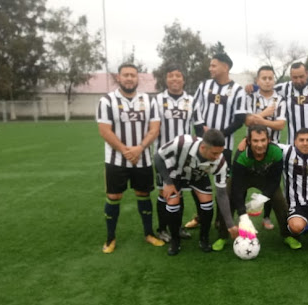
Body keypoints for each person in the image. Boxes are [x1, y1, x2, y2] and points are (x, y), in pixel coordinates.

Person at [96, 63, 163, 253]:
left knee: (143, 193)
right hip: (116, 159)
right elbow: (104, 130)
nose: (129, 78)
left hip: (143, 158)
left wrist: (140, 148)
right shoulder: (107, 101)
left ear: (137, 78)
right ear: (119, 77)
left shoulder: (148, 101)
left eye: (133, 75)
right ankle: (110, 238)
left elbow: (155, 128)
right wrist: (126, 151)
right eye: (125, 75)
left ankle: (149, 233)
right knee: (114, 196)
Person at [184, 53, 247, 235]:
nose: (210, 68)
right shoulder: (204, 86)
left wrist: (218, 136)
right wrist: (200, 135)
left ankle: (221, 220)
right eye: (210, 66)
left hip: (224, 147)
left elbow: (239, 119)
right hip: (202, 147)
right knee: (196, 183)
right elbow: (195, 109)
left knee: (223, 186)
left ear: (225, 67)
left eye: (214, 65)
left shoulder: (237, 90)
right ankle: (200, 216)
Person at [154, 129, 238, 256]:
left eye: (220, 153)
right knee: (172, 203)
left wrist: (230, 224)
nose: (217, 157)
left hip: (197, 175)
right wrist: (168, 182)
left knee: (207, 204)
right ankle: (175, 241)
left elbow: (221, 194)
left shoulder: (220, 162)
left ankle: (204, 239)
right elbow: (158, 157)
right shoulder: (182, 142)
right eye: (214, 153)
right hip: (175, 172)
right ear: (203, 147)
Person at [226, 124, 300, 249]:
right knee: (228, 196)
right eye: (255, 140)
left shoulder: (276, 152)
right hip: (244, 177)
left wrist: (262, 197)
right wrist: (243, 215)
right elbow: (237, 187)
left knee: (279, 200)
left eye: (263, 140)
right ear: (249, 141)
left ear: (268, 140)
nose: (259, 145)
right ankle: (223, 235)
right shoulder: (241, 154)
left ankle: (287, 235)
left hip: (265, 178)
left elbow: (275, 180)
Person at [152, 66, 196, 242]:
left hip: (184, 156)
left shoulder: (191, 100)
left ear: (183, 80)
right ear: (166, 80)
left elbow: (197, 127)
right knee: (165, 192)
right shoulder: (157, 100)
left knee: (180, 192)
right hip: (163, 156)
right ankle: (162, 229)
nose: (175, 79)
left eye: (178, 75)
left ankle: (177, 229)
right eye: (171, 76)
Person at [245, 65, 287, 230]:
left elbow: (280, 125)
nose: (268, 81)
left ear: (274, 80)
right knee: (241, 182)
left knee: (271, 183)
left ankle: (267, 217)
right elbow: (247, 121)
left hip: (272, 147)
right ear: (258, 80)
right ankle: (243, 215)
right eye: (264, 78)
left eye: (270, 78)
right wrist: (265, 113)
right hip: (251, 146)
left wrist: (259, 119)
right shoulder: (250, 97)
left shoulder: (280, 100)